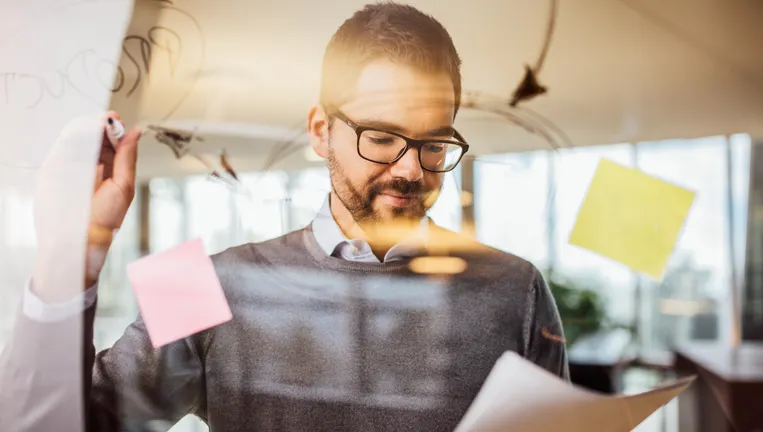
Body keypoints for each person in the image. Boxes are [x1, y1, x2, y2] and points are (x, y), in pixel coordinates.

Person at [1, 2, 568, 431]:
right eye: (381, 137)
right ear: (321, 131)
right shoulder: (195, 279)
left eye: (434, 144)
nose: (411, 170)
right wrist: (68, 259)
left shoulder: (517, 289)